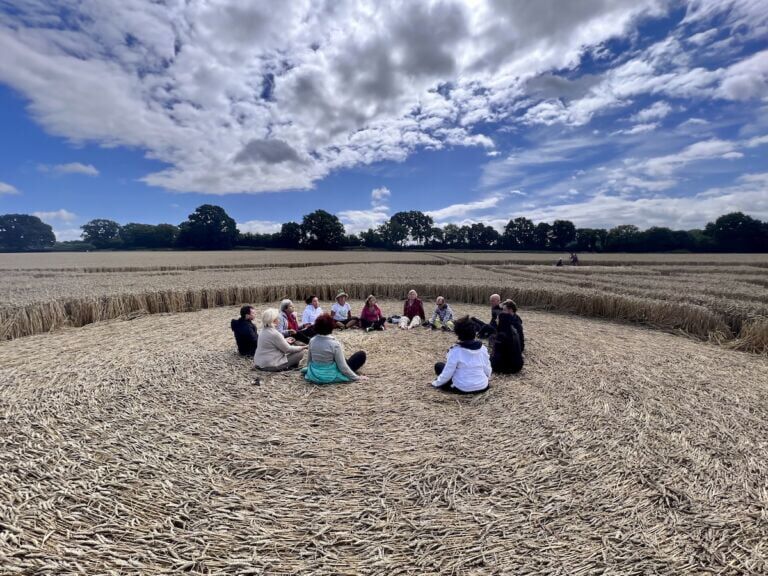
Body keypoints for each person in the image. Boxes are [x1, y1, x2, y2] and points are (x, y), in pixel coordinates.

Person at [302, 313, 368, 384]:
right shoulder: (334, 344)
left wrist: (310, 371)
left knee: (342, 358)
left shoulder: (312, 341)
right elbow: (343, 367)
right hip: (330, 375)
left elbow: (309, 361)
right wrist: (357, 378)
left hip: (314, 374)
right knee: (361, 355)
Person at [431, 316, 491, 394]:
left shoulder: (455, 350)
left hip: (462, 388)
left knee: (439, 366)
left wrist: (435, 383)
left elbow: (448, 372)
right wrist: (485, 378)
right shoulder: (483, 348)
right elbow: (487, 367)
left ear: (457, 333)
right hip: (482, 387)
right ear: (474, 331)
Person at [490, 302, 524, 374]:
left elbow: (496, 352)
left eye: (504, 310)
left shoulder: (511, 327)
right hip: (518, 364)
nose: (502, 311)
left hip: (510, 367)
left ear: (510, 310)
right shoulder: (510, 326)